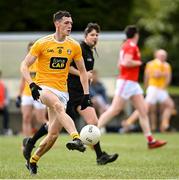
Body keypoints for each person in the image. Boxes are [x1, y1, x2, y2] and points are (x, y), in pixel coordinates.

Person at [23, 22, 118, 166]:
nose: (95, 37)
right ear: (85, 36)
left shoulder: (89, 52)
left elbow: (84, 74)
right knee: (54, 129)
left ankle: (99, 155)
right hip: (69, 91)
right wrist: (84, 74)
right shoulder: (76, 47)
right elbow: (68, 68)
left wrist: (87, 92)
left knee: (93, 121)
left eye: (97, 35)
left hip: (81, 93)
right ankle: (32, 143)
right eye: (92, 34)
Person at [20, 10, 91, 175]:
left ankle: (33, 160)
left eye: (71, 23)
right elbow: (24, 65)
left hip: (62, 91)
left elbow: (82, 72)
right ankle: (76, 138)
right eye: (66, 23)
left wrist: (86, 95)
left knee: (52, 135)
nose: (70, 26)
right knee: (58, 107)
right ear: (57, 24)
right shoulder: (42, 43)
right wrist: (31, 85)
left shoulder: (73, 46)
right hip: (43, 88)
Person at [98, 25, 167, 149]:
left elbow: (120, 63)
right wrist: (141, 63)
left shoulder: (126, 45)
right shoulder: (131, 45)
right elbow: (126, 62)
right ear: (136, 35)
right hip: (126, 82)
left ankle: (150, 141)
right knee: (115, 109)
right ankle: (93, 131)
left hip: (132, 83)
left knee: (143, 111)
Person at [121, 49, 175, 132]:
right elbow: (151, 76)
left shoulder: (167, 65)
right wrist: (147, 87)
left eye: (164, 56)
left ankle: (164, 125)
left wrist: (164, 85)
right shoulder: (152, 64)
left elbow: (168, 77)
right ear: (156, 55)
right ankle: (128, 122)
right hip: (153, 88)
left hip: (161, 89)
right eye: (161, 55)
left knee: (170, 105)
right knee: (144, 108)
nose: (163, 57)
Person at [16, 41, 47, 139]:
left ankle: (51, 137)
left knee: (41, 119)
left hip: (38, 93)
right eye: (29, 50)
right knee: (26, 118)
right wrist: (19, 95)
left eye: (32, 49)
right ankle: (26, 141)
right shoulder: (26, 64)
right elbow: (23, 81)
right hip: (27, 94)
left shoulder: (41, 63)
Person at [0, 70, 11, 135]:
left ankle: (5, 129)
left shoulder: (3, 86)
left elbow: (7, 97)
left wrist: (3, 104)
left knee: (6, 113)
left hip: (2, 106)